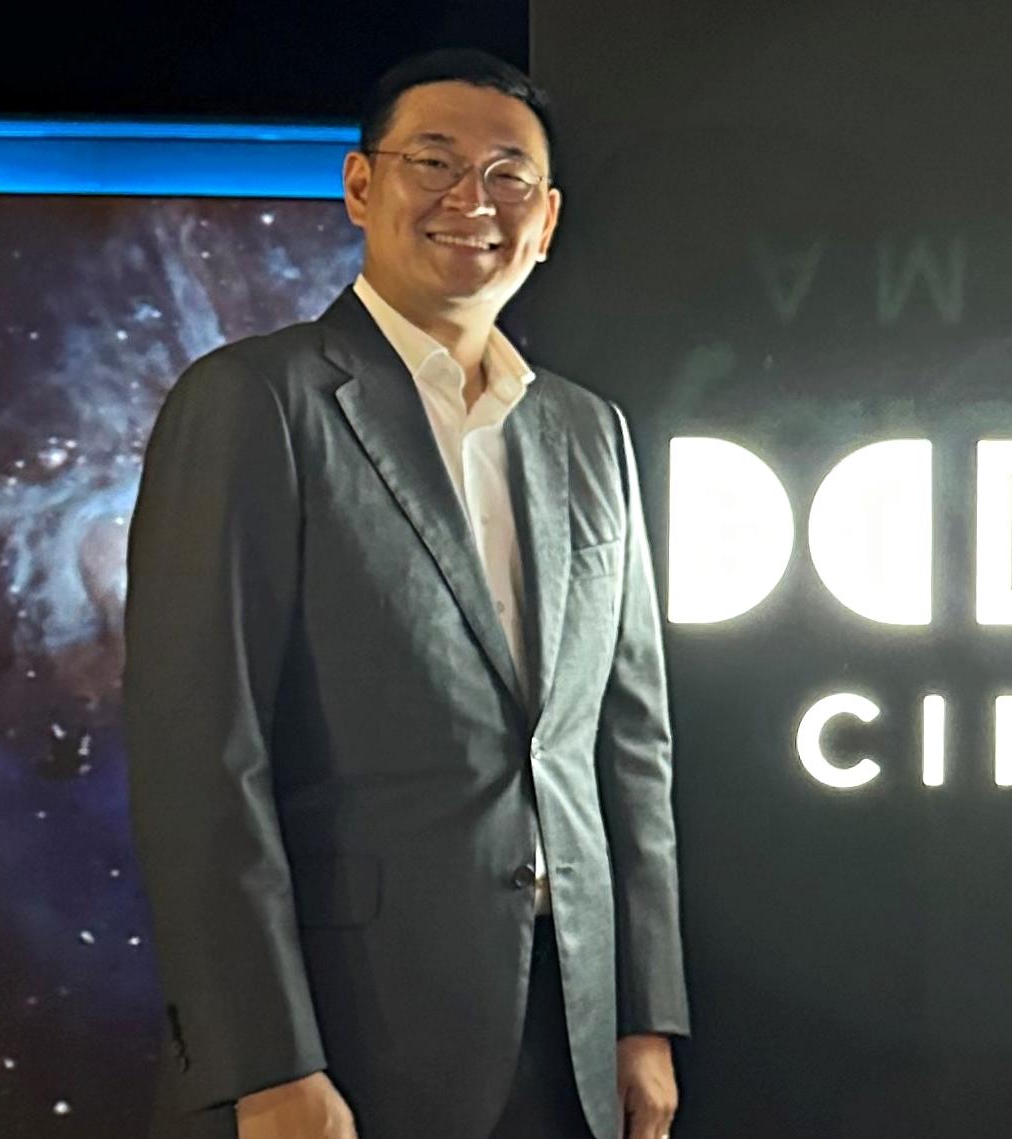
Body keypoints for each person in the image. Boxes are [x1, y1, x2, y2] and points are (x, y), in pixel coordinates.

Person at [125, 49, 687, 1139]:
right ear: (359, 185)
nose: (472, 199)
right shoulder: (254, 400)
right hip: (341, 1043)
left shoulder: (589, 431)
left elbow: (629, 743)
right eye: (433, 161)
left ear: (547, 219)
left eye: (509, 176)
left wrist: (642, 1015)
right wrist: (267, 1062)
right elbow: (199, 751)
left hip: (566, 1041)